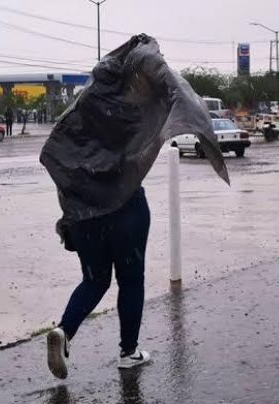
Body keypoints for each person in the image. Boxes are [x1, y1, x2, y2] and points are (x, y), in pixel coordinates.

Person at [40, 34, 229, 380]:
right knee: (131, 280)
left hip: (85, 213)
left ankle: (64, 332)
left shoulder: (89, 101)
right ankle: (129, 352)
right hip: (126, 207)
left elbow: (57, 148)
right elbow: (176, 94)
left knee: (94, 281)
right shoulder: (132, 108)